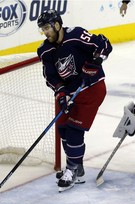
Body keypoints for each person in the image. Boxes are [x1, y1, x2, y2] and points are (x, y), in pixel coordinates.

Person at [36, 9, 112, 192]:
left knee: (74, 130)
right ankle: (77, 165)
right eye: (42, 29)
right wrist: (60, 93)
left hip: (91, 88)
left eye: (47, 27)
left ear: (57, 24)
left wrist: (95, 62)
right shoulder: (44, 50)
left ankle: (72, 169)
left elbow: (104, 44)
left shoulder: (76, 35)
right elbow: (50, 76)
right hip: (69, 91)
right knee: (62, 128)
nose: (45, 32)